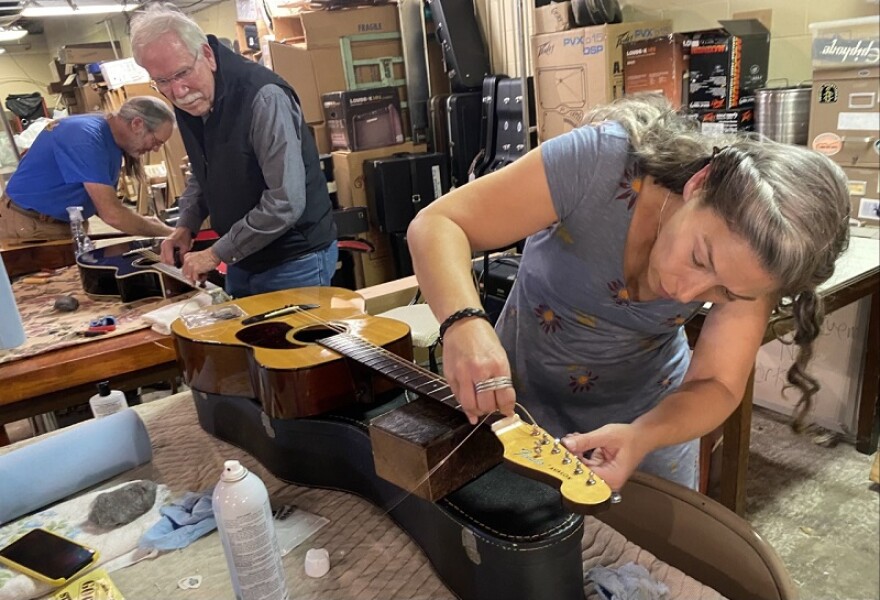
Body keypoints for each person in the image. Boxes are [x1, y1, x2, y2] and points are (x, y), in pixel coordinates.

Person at [407, 95, 850, 492]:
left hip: (646, 422)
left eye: (724, 292)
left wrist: (643, 436)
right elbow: (439, 224)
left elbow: (717, 383)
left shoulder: (761, 263)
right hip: (519, 405)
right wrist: (464, 323)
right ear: (700, 183)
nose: (686, 292)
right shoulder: (601, 163)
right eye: (699, 257)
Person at [129, 4, 338, 298]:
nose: (177, 92)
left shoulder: (263, 98)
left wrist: (216, 253)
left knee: (287, 344)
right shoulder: (194, 100)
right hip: (243, 256)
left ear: (208, 55)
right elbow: (205, 171)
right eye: (163, 81)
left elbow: (285, 201)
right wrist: (185, 226)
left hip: (293, 259)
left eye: (182, 73)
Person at [0, 96, 176, 244]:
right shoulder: (86, 137)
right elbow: (112, 214)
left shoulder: (112, 141)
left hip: (65, 223)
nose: (156, 149)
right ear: (137, 124)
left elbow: (100, 202)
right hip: (28, 225)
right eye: (157, 141)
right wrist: (170, 234)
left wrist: (147, 223)